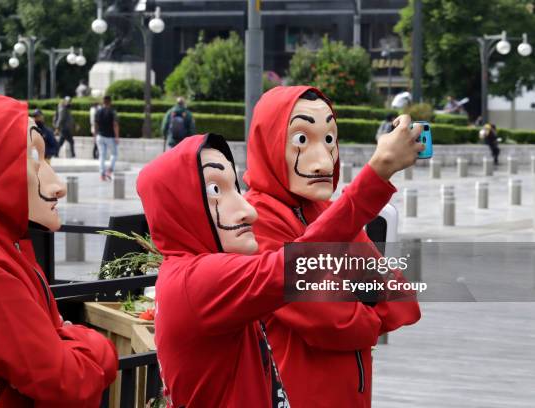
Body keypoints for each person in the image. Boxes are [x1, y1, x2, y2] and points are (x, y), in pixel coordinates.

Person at [137, 126, 419, 407]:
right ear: (178, 206)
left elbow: (396, 296)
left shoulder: (190, 274)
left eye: (235, 187)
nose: (249, 211)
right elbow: (301, 269)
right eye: (214, 190)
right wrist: (378, 171)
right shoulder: (198, 279)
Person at [0, 95, 118, 406]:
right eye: (33, 157)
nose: (58, 186)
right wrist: (97, 345)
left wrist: (65, 343)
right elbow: (69, 383)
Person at [244, 86, 422, 408]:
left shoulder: (326, 213)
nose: (323, 159)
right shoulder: (255, 223)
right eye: (301, 139)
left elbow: (401, 298)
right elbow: (334, 323)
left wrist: (345, 292)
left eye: (329, 139)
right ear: (268, 142)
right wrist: (362, 300)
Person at [94, 95, 120, 181]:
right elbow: (115, 124)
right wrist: (117, 137)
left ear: (103, 102)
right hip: (110, 137)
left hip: (100, 136)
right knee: (114, 154)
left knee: (102, 156)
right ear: (110, 102)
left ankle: (102, 174)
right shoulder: (112, 112)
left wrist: (95, 135)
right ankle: (110, 170)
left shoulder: (98, 111)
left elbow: (96, 125)